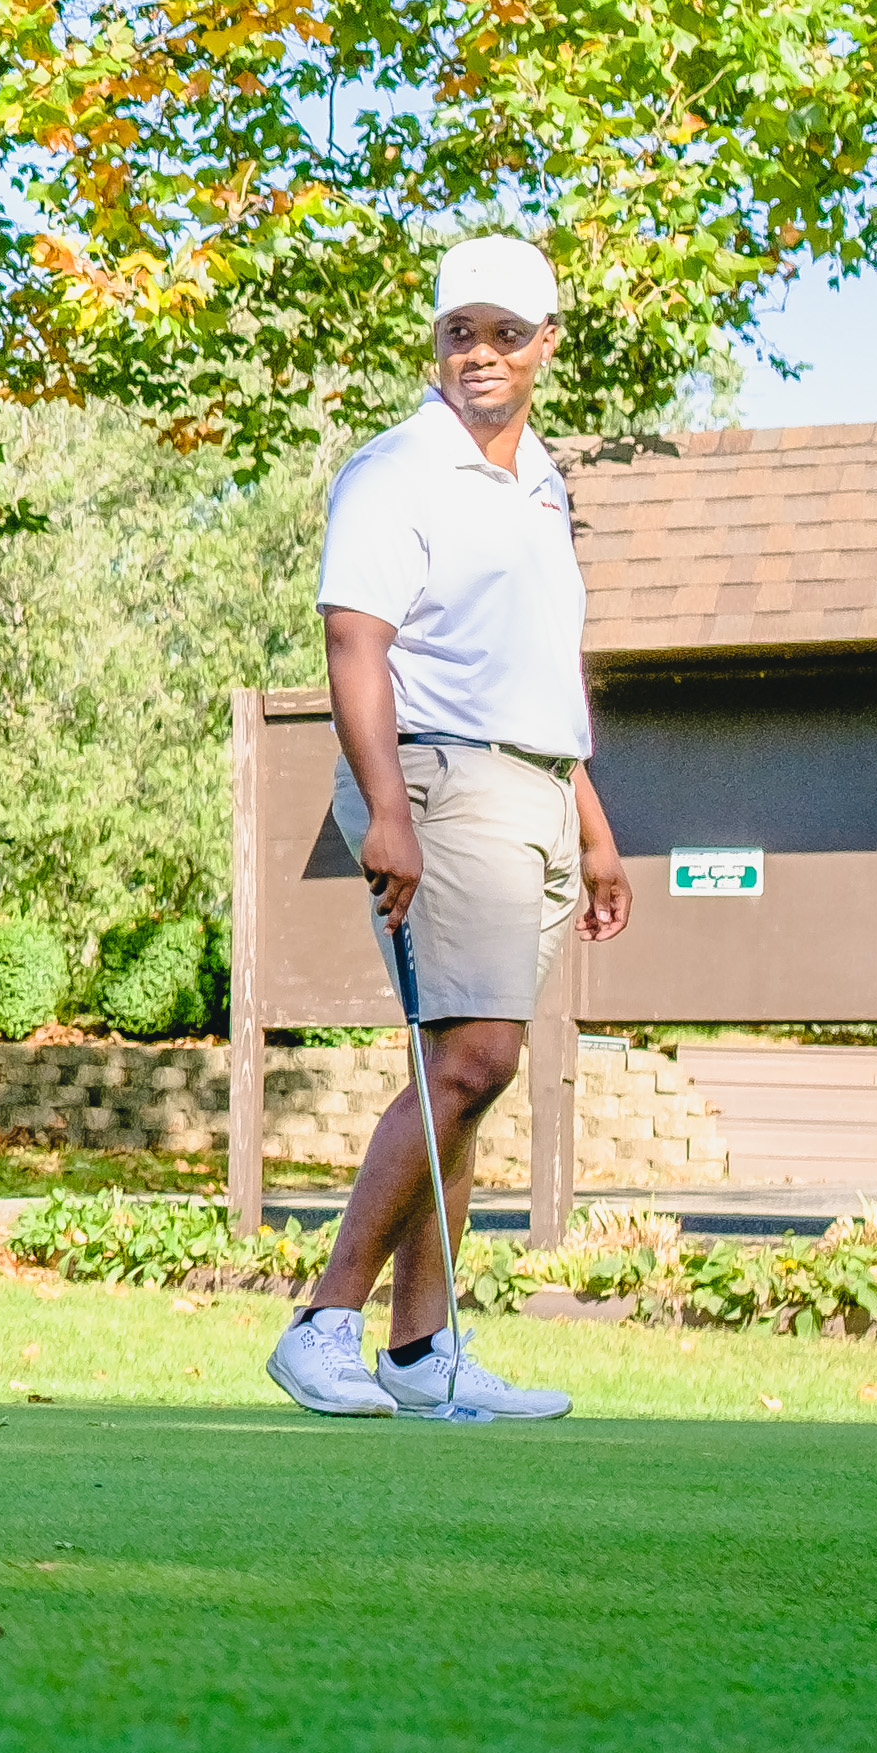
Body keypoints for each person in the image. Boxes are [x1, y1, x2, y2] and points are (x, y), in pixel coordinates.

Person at [267, 231, 636, 1422]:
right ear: (436, 341)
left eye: (506, 332)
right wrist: (385, 807)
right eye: (460, 330)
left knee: (462, 1078)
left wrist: (590, 822)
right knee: (474, 1059)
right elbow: (354, 644)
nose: (482, 352)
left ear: (547, 345)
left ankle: (423, 1350)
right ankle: (325, 1323)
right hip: (439, 780)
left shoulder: (542, 484)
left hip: (531, 785)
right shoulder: (395, 471)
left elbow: (538, 667)